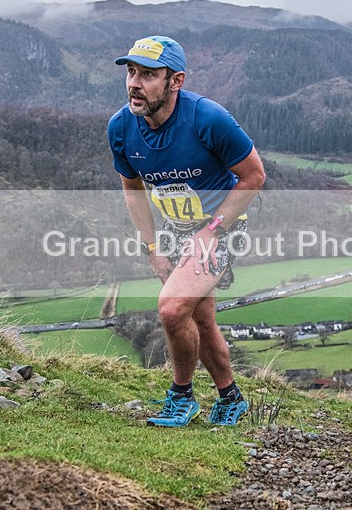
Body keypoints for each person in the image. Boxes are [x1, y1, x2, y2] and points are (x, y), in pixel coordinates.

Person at [108, 36, 266, 427]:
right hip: (175, 231)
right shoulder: (121, 127)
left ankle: (182, 396)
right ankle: (231, 398)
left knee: (172, 307)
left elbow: (254, 176)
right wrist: (152, 248)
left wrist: (212, 231)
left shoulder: (207, 118)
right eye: (131, 72)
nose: (134, 83)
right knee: (201, 319)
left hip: (223, 226)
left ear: (175, 81)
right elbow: (133, 188)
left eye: (148, 75)